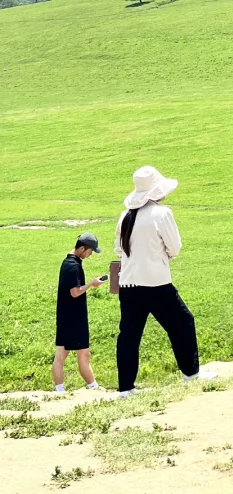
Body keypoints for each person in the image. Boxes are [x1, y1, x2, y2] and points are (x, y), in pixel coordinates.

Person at [115, 166, 207, 397]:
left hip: (128, 283)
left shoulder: (125, 215)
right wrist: (161, 257)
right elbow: (174, 247)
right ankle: (191, 372)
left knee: (129, 335)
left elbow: (119, 249)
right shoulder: (161, 213)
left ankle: (126, 387)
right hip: (155, 282)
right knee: (183, 323)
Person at [53, 233, 107, 392]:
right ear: (82, 248)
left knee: (61, 355)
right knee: (83, 354)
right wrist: (92, 283)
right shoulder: (73, 266)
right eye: (90, 251)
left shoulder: (68, 262)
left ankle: (59, 390)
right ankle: (93, 387)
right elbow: (75, 292)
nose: (90, 255)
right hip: (74, 318)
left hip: (65, 316)